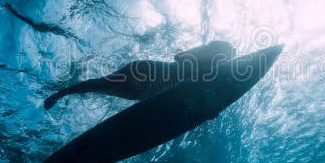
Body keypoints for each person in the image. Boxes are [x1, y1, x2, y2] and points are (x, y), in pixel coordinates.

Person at [43, 40, 235, 109]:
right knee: (102, 84)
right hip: (144, 72)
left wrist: (207, 109)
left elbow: (195, 95)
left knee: (102, 88)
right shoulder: (204, 52)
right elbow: (179, 57)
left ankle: (64, 93)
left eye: (226, 58)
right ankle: (61, 93)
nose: (223, 59)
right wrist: (199, 71)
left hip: (145, 93)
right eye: (224, 55)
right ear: (219, 50)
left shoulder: (211, 75)